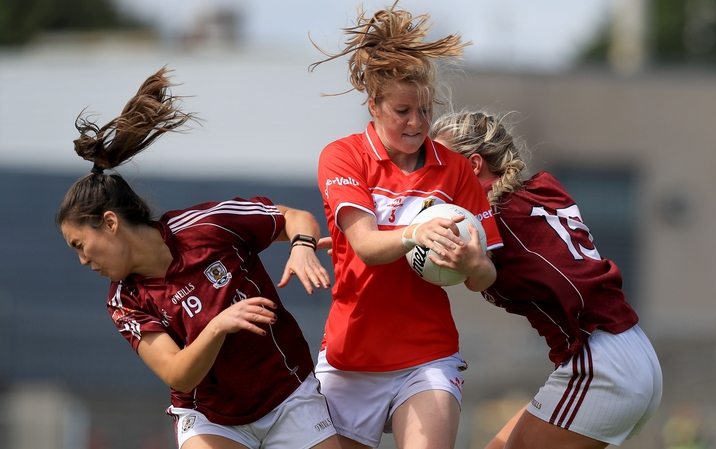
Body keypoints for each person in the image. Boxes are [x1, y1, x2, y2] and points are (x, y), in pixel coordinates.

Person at [56, 68, 341, 449]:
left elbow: (293, 218)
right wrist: (219, 325)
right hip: (210, 418)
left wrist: (302, 246)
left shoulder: (204, 226)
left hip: (287, 393)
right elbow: (178, 374)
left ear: (110, 223)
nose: (82, 261)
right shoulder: (124, 299)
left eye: (79, 244)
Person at [308, 3, 504, 448]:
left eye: (424, 110)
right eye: (402, 111)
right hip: (349, 359)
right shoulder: (343, 157)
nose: (417, 122)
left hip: (427, 356)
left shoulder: (454, 170)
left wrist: (473, 264)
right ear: (374, 104)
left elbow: (485, 277)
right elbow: (365, 245)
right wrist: (417, 232)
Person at [431, 110, 663, 449]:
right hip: (630, 349)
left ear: (474, 165)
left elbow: (481, 275)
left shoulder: (494, 218)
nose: (429, 177)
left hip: (601, 360)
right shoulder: (537, 190)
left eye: (439, 165)